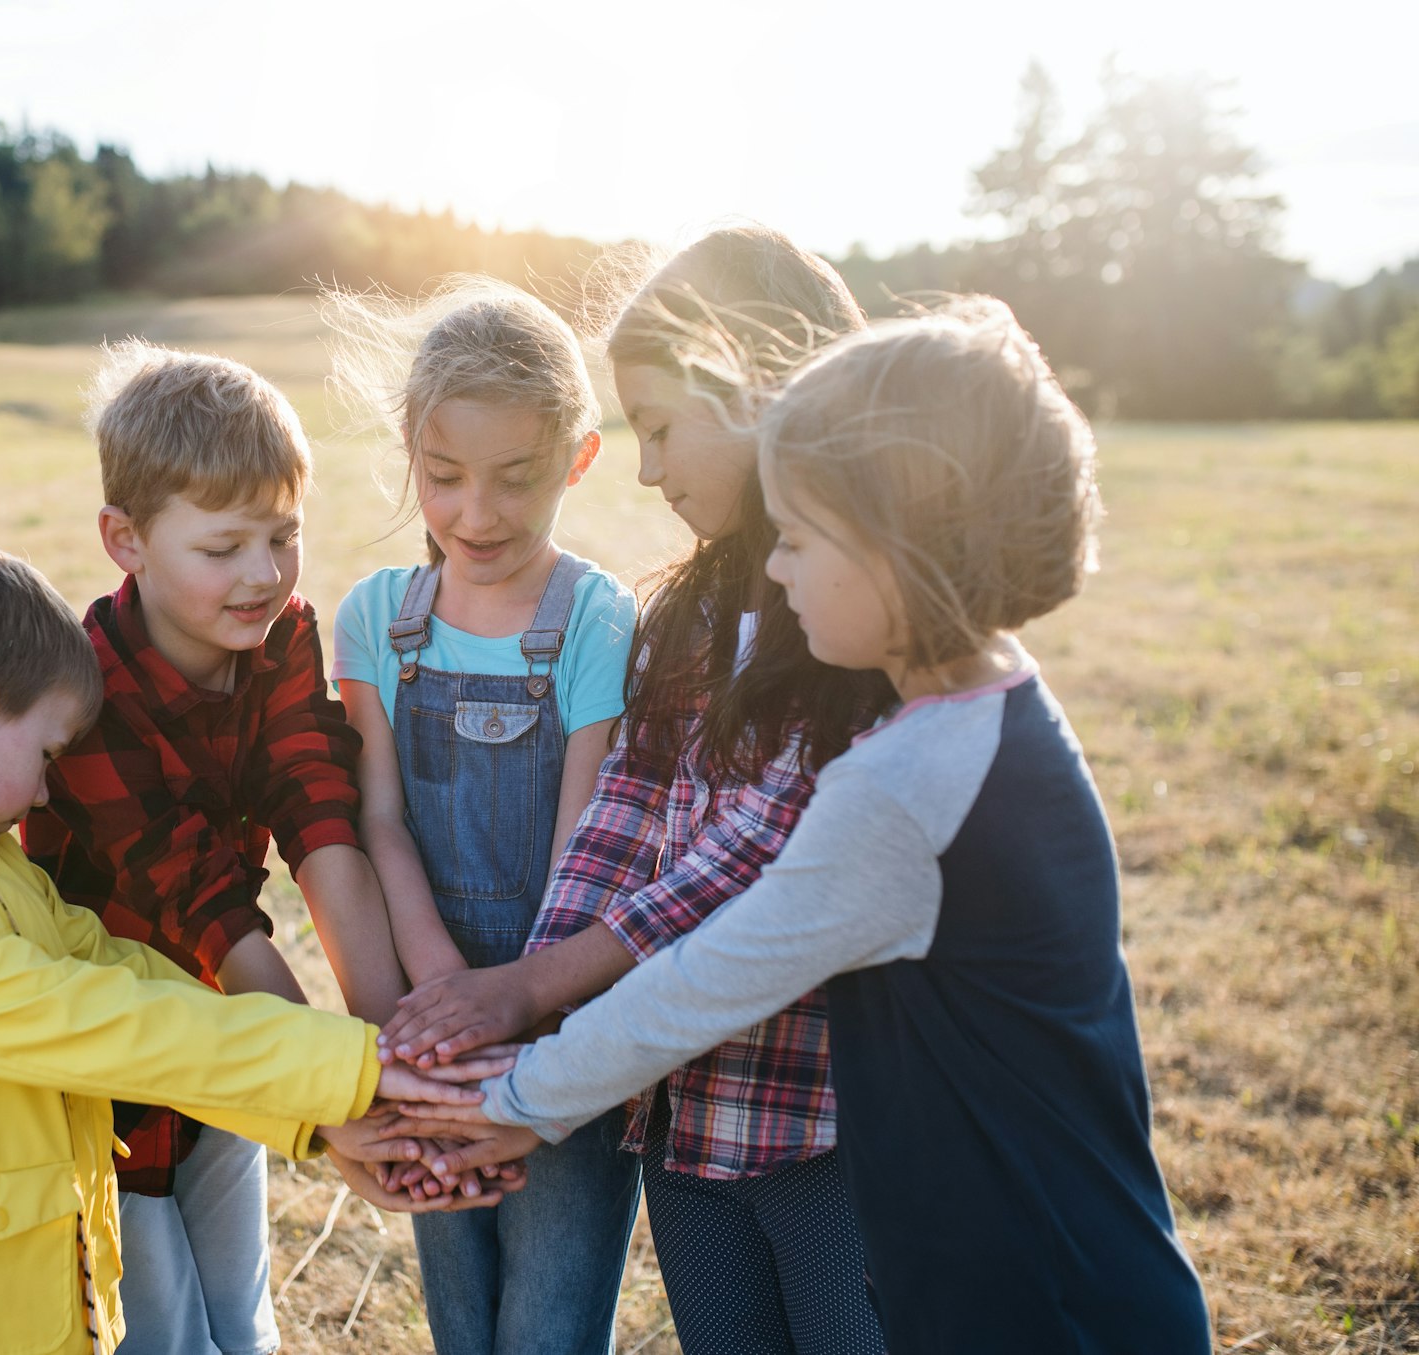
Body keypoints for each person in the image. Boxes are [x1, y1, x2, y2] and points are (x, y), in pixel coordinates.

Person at [400, 299, 1215, 1354]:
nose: (772, 573)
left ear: (897, 547)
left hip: (1037, 1300)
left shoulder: (900, 788)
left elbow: (704, 981)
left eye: (792, 538)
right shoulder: (993, 711)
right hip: (1047, 1265)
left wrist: (512, 1098)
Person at [0, 535, 490, 1355]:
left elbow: (127, 973)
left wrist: (327, 1109)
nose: (47, 789)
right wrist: (351, 1071)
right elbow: (112, 1023)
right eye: (47, 753)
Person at [379, 225, 893, 1355]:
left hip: (826, 1121)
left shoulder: (862, 613)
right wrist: (518, 1005)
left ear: (758, 388)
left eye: (660, 429)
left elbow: (755, 856)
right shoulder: (688, 614)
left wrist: (529, 1004)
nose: (649, 470)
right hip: (689, 1119)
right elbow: (621, 821)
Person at [19, 344, 409, 1355]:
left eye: (283, 535)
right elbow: (201, 898)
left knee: (242, 1318)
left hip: (228, 1043)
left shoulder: (281, 635)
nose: (263, 573)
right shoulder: (87, 690)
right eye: (223, 545)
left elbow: (316, 808)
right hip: (118, 1067)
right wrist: (330, 1089)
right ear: (126, 540)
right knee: (166, 1333)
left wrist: (384, 1047)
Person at [322, 278, 641, 1355]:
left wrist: (508, 1014)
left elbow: (583, 841)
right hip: (429, 1027)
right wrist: (439, 1008)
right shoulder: (374, 620)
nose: (475, 514)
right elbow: (381, 822)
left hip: (563, 1019)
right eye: (443, 476)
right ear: (408, 451)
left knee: (548, 1322)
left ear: (577, 458)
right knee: (460, 1312)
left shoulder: (596, 617)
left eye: (516, 477)